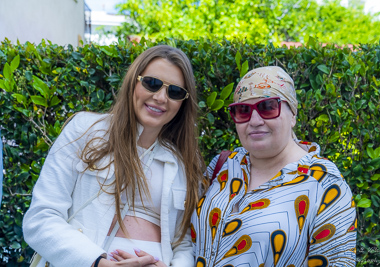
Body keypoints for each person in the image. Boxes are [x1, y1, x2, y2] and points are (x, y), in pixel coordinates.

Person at [23, 45, 205, 267]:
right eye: (152, 83)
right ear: (133, 82)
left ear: (183, 102)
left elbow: (183, 243)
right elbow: (40, 219)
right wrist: (97, 263)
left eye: (174, 92)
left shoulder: (185, 160)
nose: (160, 97)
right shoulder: (84, 130)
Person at [191, 66, 356, 267]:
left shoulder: (325, 185)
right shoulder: (223, 165)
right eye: (243, 111)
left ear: (293, 114)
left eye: (268, 107)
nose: (254, 121)